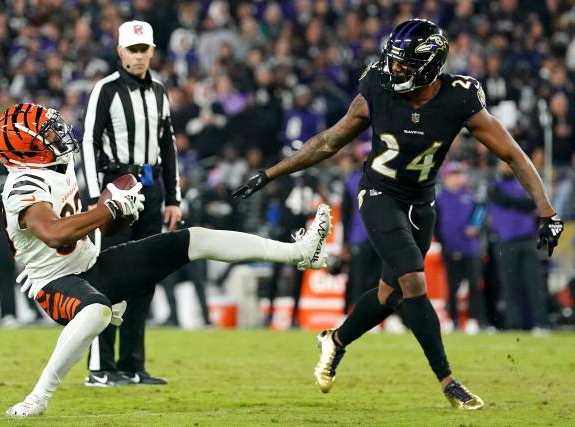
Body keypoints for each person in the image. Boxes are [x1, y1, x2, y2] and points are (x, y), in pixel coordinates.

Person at [232, 19, 564, 410]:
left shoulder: (459, 98)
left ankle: (335, 340)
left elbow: (511, 153)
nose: (394, 69)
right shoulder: (377, 86)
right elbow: (329, 142)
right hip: (378, 193)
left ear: (428, 66)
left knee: (390, 295)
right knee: (413, 280)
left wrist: (545, 209)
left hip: (422, 202)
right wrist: (270, 174)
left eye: (405, 64)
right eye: (394, 61)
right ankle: (449, 382)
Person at [0, 103, 331, 417]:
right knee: (96, 312)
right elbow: (54, 233)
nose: (58, 134)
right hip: (55, 284)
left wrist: (123, 214)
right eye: (47, 133)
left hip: (92, 265)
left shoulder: (56, 167)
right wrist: (106, 209)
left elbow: (100, 227)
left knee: (194, 239)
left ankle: (300, 252)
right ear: (26, 148)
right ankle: (37, 398)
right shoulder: (22, 183)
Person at [81, 20, 182, 386]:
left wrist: (173, 198)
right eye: (133, 49)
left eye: (144, 49)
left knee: (145, 278)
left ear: (152, 51)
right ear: (120, 51)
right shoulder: (105, 89)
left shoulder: (159, 89)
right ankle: (99, 367)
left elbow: (167, 145)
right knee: (108, 277)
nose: (139, 56)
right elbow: (88, 142)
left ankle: (132, 365)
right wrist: (96, 197)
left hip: (151, 189)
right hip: (116, 190)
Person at [488, 160, 549, 331]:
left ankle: (541, 323)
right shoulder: (493, 186)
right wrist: (524, 205)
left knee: (535, 283)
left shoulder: (525, 183)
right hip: (505, 241)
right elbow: (509, 201)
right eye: (502, 163)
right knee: (509, 285)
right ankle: (513, 324)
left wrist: (522, 204)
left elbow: (534, 203)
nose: (506, 166)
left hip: (528, 238)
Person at [436, 161, 488, 333]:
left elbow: (481, 211)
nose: (456, 178)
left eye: (459, 174)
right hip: (450, 248)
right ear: (446, 177)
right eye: (453, 175)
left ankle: (476, 320)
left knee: (475, 285)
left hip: (470, 248)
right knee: (452, 286)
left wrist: (475, 225)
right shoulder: (439, 198)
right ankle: (453, 320)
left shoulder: (470, 195)